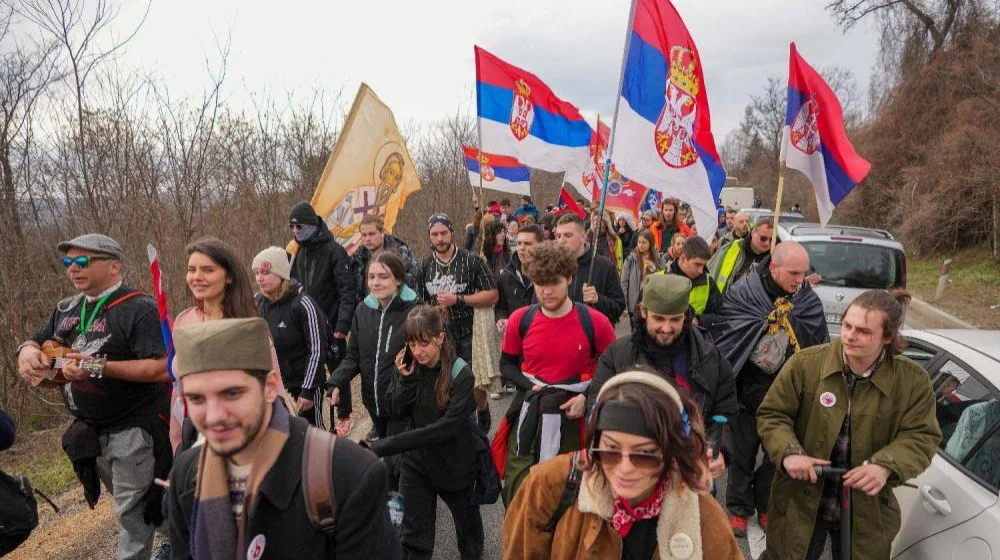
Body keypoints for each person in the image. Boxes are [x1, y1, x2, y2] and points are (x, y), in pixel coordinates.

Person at [167, 318, 399, 559]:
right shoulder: (188, 474)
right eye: (196, 399)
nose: (214, 416)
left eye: (232, 393)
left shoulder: (347, 476)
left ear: (270, 387)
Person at [16, 234, 170, 560]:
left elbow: (161, 368)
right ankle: (183, 538)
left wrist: (95, 366)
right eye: (68, 262)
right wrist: (27, 353)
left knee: (130, 514)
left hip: (134, 427)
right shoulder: (66, 308)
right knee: (137, 501)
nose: (73, 269)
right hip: (91, 431)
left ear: (114, 266)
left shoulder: (138, 308)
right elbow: (37, 341)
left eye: (83, 261)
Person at [758, 290, 941, 560]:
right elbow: (772, 414)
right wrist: (789, 452)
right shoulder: (806, 364)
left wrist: (885, 465)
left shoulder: (913, 382)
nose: (850, 336)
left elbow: (921, 436)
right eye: (847, 325)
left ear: (887, 337)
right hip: (801, 501)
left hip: (867, 510)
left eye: (864, 331)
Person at [504, 371, 743, 559]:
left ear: (672, 454)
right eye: (610, 450)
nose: (625, 468)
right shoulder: (549, 485)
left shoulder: (701, 512)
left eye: (645, 455)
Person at [710, 241, 830, 537]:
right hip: (746, 392)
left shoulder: (807, 301)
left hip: (787, 398)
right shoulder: (745, 292)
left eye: (803, 273)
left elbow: (820, 347)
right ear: (774, 267)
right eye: (793, 273)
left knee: (776, 456)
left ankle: (764, 503)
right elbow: (728, 337)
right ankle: (738, 508)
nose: (799, 280)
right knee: (742, 452)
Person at [496, 241, 617, 506]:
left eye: (555, 283)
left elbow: (616, 372)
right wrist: (529, 387)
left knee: (570, 498)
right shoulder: (520, 319)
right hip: (530, 415)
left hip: (575, 421)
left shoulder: (596, 322)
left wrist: (588, 399)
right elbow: (506, 365)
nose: (547, 291)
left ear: (570, 279)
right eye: (540, 283)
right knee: (518, 494)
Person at [590, 274, 737, 480]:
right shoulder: (617, 356)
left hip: (689, 470)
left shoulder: (710, 358)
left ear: (686, 315)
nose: (667, 329)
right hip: (632, 470)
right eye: (659, 318)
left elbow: (724, 411)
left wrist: (718, 449)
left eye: (675, 319)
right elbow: (597, 409)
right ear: (643, 311)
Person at [366, 306, 485, 559]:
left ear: (440, 339)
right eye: (411, 343)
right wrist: (405, 380)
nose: (417, 351)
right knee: (413, 541)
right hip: (416, 464)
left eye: (424, 344)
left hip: (455, 464)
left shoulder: (461, 373)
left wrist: (383, 446)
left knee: (469, 538)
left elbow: (446, 429)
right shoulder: (408, 366)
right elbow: (393, 411)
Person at [172, 238, 289, 452]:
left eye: (207, 270)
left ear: (228, 276)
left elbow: (274, 388)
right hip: (193, 436)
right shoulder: (183, 321)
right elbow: (178, 390)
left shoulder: (247, 327)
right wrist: (177, 441)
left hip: (240, 437)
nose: (196, 277)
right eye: (191, 269)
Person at [413, 213, 498, 431]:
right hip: (441, 332)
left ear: (452, 233)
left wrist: (458, 299)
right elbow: (419, 304)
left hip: (471, 327)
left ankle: (481, 407)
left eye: (443, 233)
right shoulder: (424, 268)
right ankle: (462, 422)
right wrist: (432, 311)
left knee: (472, 378)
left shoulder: (472, 260)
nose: (440, 238)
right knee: (448, 377)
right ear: (429, 237)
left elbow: (492, 295)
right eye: (435, 234)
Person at [329, 252, 416, 441]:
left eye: (383, 277)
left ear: (399, 279)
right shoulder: (362, 310)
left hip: (404, 405)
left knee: (399, 462)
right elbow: (353, 356)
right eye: (371, 276)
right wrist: (336, 382)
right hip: (373, 403)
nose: (375, 282)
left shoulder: (414, 312)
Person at [288, 201, 357, 437]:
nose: (296, 231)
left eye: (299, 226)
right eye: (292, 227)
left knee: (338, 371)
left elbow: (347, 291)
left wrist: (343, 325)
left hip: (332, 324)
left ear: (311, 224)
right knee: (312, 371)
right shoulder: (297, 253)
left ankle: (344, 414)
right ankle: (314, 416)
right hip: (306, 326)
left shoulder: (335, 251)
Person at [253, 247, 328, 427]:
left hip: (304, 384)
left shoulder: (303, 304)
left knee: (313, 433)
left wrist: (307, 390)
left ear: (281, 274)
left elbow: (317, 350)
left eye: (265, 272)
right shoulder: (256, 303)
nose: (259, 278)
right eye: (256, 273)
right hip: (276, 386)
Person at [553, 212, 626, 325]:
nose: (561, 241)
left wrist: (598, 300)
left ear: (583, 237)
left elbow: (618, 307)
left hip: (593, 337)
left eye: (568, 235)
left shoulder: (605, 267)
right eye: (558, 236)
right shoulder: (552, 267)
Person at [476, 220, 509, 400]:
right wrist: (481, 264)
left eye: (503, 231)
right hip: (489, 307)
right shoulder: (482, 258)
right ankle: (496, 382)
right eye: (498, 232)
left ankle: (508, 378)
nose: (502, 235)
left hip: (506, 306)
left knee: (507, 344)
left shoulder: (508, 256)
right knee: (493, 345)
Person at [350, 213, 416, 303]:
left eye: (371, 234)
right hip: (367, 309)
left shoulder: (400, 253)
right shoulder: (357, 257)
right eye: (364, 235)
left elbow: (410, 283)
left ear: (382, 233)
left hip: (396, 307)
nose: (367, 239)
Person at [666, 236, 724, 331]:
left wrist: (698, 320)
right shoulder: (660, 279)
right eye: (697, 264)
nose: (701, 271)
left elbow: (720, 316)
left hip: (696, 340)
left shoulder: (709, 283)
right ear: (683, 258)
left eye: (704, 265)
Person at [708, 216, 773, 295]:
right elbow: (710, 276)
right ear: (753, 232)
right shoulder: (731, 248)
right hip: (724, 303)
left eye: (771, 240)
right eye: (763, 238)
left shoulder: (774, 260)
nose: (767, 243)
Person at [496, 224, 544, 331]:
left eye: (527, 244)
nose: (522, 248)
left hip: (541, 335)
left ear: (541, 245)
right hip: (515, 338)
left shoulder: (551, 276)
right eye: (519, 243)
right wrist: (501, 319)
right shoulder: (506, 275)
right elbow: (501, 308)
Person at [620, 230, 663, 316]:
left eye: (644, 242)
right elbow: (624, 282)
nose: (640, 245)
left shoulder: (658, 258)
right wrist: (623, 305)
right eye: (639, 242)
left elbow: (663, 280)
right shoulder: (630, 259)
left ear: (650, 244)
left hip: (651, 304)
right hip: (634, 304)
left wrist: (654, 269)